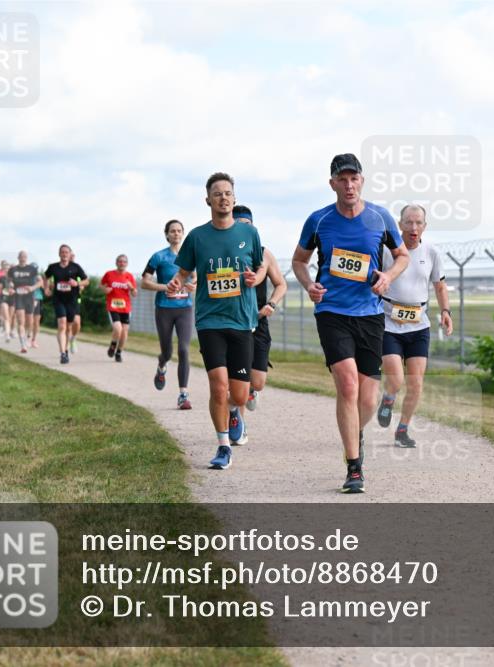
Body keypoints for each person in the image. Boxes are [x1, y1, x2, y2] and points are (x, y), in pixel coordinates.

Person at [291, 153, 409, 493]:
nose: (348, 184)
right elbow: (300, 260)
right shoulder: (319, 220)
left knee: (368, 400)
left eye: (354, 178)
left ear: (362, 181)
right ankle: (354, 466)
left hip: (369, 315)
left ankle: (355, 430)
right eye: (342, 179)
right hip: (331, 312)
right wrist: (308, 284)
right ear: (332, 184)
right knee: (347, 385)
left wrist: (387, 276)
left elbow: (401, 256)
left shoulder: (380, 217)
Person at [167, 172, 264, 470]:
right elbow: (183, 272)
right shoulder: (197, 236)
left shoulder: (249, 234)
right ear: (208, 199)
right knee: (217, 386)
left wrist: (253, 277)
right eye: (217, 193)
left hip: (241, 320)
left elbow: (259, 269)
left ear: (234, 199)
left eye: (228, 193)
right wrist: (175, 283)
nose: (223, 197)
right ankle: (223, 445)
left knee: (237, 393)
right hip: (210, 321)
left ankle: (235, 411)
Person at [376, 204, 453, 447]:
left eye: (418, 223)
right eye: (408, 222)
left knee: (416, 383)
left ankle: (402, 430)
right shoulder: (387, 251)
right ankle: (388, 398)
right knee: (396, 379)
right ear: (400, 225)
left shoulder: (431, 252)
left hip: (419, 325)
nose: (413, 227)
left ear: (425, 227)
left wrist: (445, 311)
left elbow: (439, 286)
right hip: (389, 322)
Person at [232, 205, 287, 424]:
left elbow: (281, 284)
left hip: (258, 321)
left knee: (258, 381)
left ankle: (253, 392)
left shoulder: (264, 253)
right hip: (233, 322)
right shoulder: (225, 253)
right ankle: (238, 425)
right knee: (238, 380)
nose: (244, 229)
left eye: (248, 225)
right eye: (239, 225)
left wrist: (271, 304)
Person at [142, 220, 196, 410]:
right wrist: (166, 287)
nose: (176, 234)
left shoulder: (190, 256)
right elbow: (145, 282)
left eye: (179, 231)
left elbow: (195, 279)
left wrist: (192, 286)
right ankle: (162, 365)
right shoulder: (158, 257)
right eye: (172, 231)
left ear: (183, 234)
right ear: (167, 234)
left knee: (183, 349)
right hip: (164, 308)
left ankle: (183, 394)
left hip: (185, 309)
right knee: (168, 352)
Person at [44, 245, 88, 364]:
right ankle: (63, 353)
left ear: (69, 254)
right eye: (62, 252)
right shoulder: (53, 267)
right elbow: (45, 277)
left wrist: (77, 283)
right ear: (59, 254)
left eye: (66, 252)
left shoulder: (75, 267)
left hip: (72, 300)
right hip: (58, 299)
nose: (64, 254)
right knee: (62, 325)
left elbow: (86, 280)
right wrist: (46, 288)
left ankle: (66, 349)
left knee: (69, 327)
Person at [100, 254, 138, 363]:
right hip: (113, 306)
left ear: (127, 264)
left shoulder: (129, 276)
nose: (122, 263)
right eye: (120, 261)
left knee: (124, 332)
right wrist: (105, 289)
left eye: (124, 262)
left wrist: (131, 288)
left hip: (125, 308)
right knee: (118, 329)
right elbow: (101, 285)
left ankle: (119, 352)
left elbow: (135, 293)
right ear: (116, 263)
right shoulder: (109, 274)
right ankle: (113, 344)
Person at [9, 251, 42, 353]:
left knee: (30, 321)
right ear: (18, 257)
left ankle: (28, 336)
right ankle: (23, 344)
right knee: (20, 321)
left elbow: (40, 282)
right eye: (21, 256)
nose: (23, 258)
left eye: (24, 256)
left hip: (29, 297)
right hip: (18, 296)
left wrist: (32, 288)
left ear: (26, 258)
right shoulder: (13, 269)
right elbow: (10, 281)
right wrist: (10, 287)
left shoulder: (32, 269)